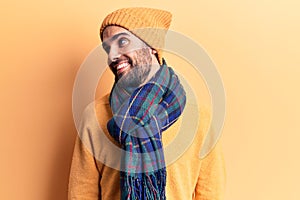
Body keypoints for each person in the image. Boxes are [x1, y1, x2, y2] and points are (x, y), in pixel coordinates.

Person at [68, 7, 225, 200]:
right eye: (108, 48)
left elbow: (212, 194)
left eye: (123, 42)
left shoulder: (200, 117)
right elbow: (81, 194)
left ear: (151, 45)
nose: (113, 56)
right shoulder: (94, 117)